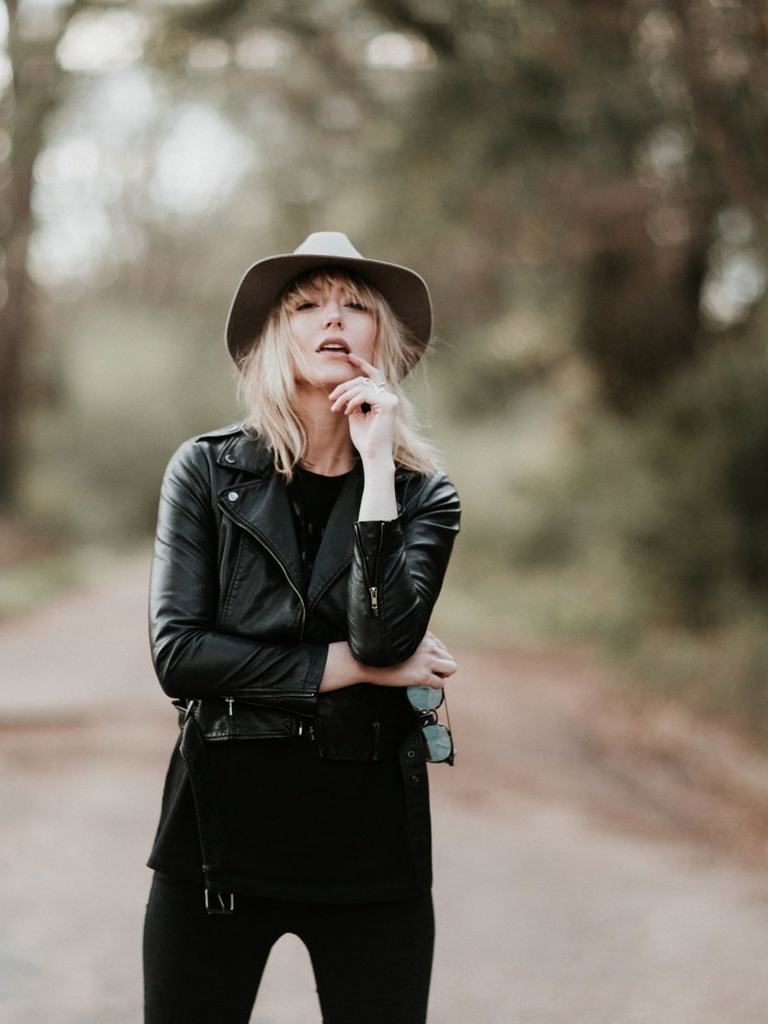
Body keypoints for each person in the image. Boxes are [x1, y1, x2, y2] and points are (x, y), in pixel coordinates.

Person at [144, 231, 462, 1024]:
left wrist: (380, 467)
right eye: (307, 305)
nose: (333, 320)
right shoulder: (206, 471)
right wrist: (349, 669)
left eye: (355, 307)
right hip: (219, 839)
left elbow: (387, 637)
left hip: (370, 846)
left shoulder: (426, 494)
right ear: (276, 339)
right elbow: (180, 655)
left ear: (380, 342)